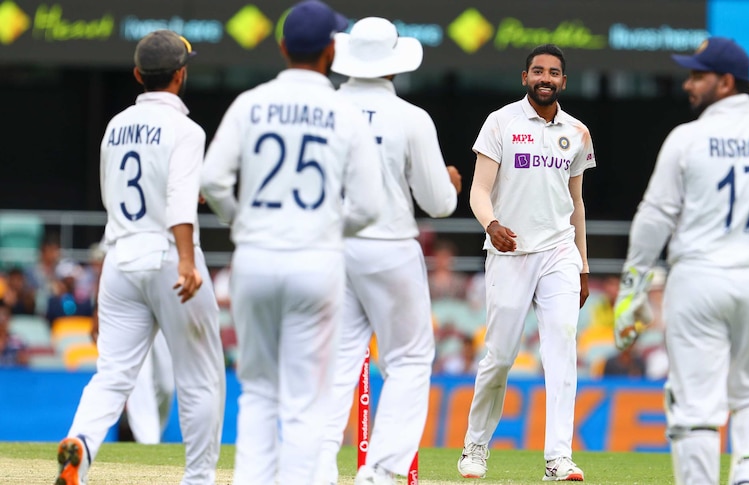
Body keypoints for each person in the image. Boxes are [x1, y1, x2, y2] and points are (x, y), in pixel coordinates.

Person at [612, 37, 749, 485]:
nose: (688, 84)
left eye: (697, 76)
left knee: (696, 403)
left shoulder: (687, 138)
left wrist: (633, 286)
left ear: (725, 82)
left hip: (697, 279)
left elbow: (655, 216)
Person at [200, 2, 382, 483]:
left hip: (256, 256)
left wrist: (244, 222)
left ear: (282, 47)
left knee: (258, 390)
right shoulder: (345, 113)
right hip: (314, 261)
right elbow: (367, 206)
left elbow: (214, 181)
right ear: (332, 50)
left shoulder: (250, 103)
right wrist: (322, 228)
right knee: (306, 398)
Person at [55, 30, 226, 485]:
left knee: (111, 376)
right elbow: (178, 199)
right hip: (170, 257)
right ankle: (198, 479)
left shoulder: (114, 126)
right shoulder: (187, 129)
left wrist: (99, 297)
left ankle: (81, 446)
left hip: (121, 259)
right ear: (181, 74)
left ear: (137, 75)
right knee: (202, 377)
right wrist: (188, 261)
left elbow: (114, 202)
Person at [311, 16, 462, 485]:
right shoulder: (411, 118)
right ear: (395, 65)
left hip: (332, 247)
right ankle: (378, 471)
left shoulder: (323, 109)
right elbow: (438, 204)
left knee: (335, 362)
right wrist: (453, 186)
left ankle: (312, 469)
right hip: (390, 244)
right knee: (410, 360)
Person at [457, 43, 595, 482]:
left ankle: (558, 457)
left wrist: (584, 265)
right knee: (500, 356)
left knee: (562, 351)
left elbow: (576, 202)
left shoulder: (578, 131)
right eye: (538, 71)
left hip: (559, 252)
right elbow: (478, 190)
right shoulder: (501, 122)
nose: (545, 78)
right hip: (510, 250)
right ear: (525, 77)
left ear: (564, 81)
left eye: (554, 72)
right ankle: (476, 445)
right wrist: (491, 223)